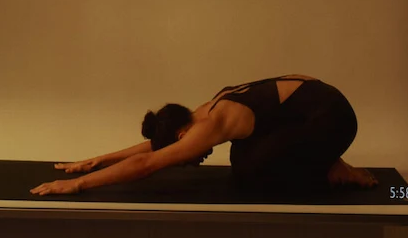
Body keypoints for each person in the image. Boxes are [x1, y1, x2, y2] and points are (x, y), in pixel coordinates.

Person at [30, 75, 377, 197]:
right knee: (245, 154)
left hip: (334, 118)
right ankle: (329, 160)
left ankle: (333, 169)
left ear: (183, 133)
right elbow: (155, 149)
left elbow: (148, 163)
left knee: (249, 170)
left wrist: (79, 185)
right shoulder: (204, 111)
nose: (190, 161)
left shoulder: (212, 124)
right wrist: (98, 159)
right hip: (317, 106)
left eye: (183, 150)